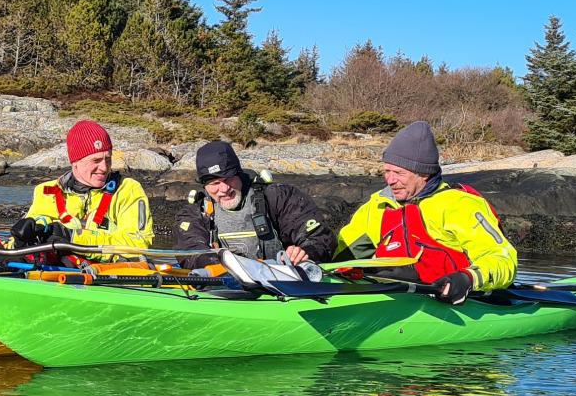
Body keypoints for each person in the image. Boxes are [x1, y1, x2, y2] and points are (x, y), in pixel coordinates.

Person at [335, 121, 518, 305]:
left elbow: (503, 259)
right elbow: (342, 255)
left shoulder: (459, 205)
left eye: (398, 172)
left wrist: (467, 278)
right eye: (387, 171)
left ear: (423, 174)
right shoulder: (378, 206)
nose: (390, 180)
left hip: (455, 297)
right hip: (396, 295)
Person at [170, 140, 334, 268]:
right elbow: (189, 251)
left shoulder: (279, 197)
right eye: (214, 183)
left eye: (228, 179)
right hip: (227, 286)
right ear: (204, 186)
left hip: (282, 284)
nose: (224, 189)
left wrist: (306, 252)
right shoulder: (194, 212)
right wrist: (219, 262)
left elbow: (319, 237)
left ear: (239, 173)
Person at [10, 120, 153, 261]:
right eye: (96, 161)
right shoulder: (47, 191)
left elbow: (138, 244)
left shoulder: (128, 190)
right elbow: (30, 234)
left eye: (108, 159)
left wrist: (72, 238)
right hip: (57, 274)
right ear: (75, 162)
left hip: (108, 276)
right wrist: (20, 240)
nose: (104, 167)